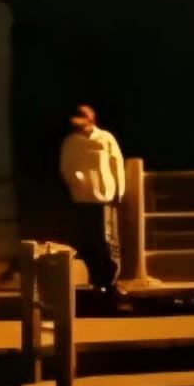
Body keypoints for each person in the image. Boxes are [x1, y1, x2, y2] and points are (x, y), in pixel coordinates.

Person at [59, 103, 126, 307]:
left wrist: (119, 191)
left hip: (103, 197)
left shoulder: (105, 138)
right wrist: (76, 180)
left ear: (91, 119)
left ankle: (108, 279)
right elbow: (66, 167)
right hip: (82, 198)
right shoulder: (71, 142)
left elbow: (117, 164)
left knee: (104, 239)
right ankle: (100, 277)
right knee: (87, 241)